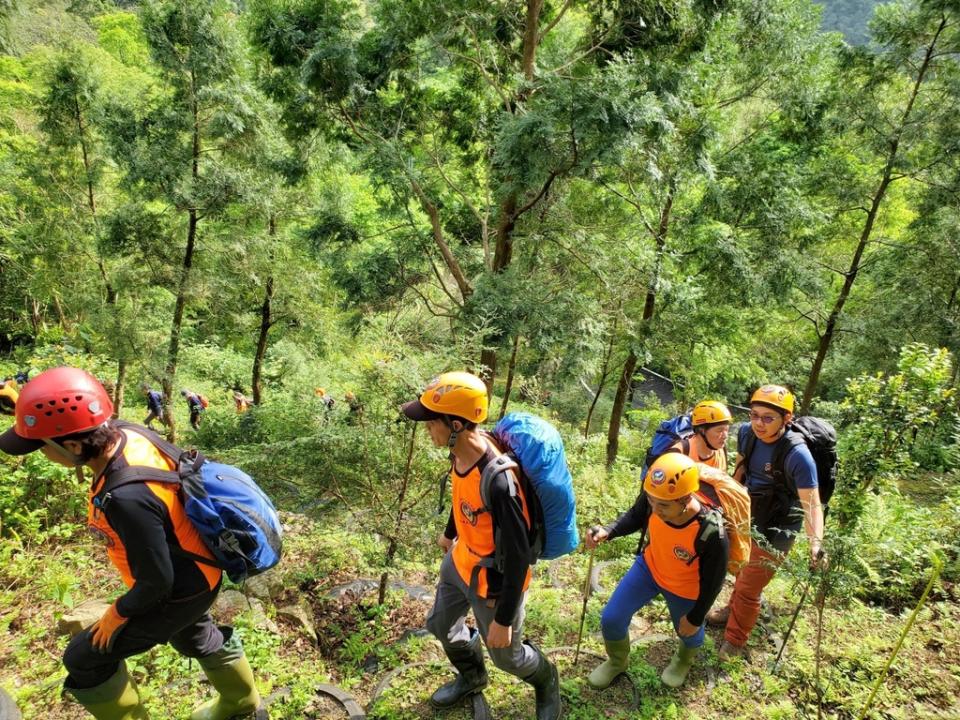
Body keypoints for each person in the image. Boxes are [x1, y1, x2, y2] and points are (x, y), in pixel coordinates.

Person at [0, 367, 264, 719]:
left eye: (41, 447)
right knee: (193, 635)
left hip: (182, 588)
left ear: (74, 445)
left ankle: (237, 703)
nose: (41, 454)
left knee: (83, 658)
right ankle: (241, 703)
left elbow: (156, 582)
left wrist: (117, 613)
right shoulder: (124, 433)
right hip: (199, 568)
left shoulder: (126, 497)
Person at [401, 371, 561, 720]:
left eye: (432, 421)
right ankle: (473, 677)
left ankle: (547, 679)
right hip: (460, 562)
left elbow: (520, 556)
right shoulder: (459, 451)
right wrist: (450, 531)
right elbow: (465, 496)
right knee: (441, 626)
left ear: (456, 424)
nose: (427, 427)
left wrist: (503, 619)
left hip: (495, 582)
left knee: (508, 656)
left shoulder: (502, 482)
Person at [586, 453, 728, 690]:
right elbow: (635, 516)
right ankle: (617, 662)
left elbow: (714, 582)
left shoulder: (711, 532)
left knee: (688, 632)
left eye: (663, 505)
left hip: (685, 588)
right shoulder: (657, 497)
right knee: (612, 618)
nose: (655, 508)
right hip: (649, 569)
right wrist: (608, 531)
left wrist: (695, 617)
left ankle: (683, 660)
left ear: (685, 499)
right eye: (651, 501)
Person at [706, 385, 826, 660]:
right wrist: (727, 507)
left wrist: (815, 544)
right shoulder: (747, 433)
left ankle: (735, 640)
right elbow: (739, 471)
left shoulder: (798, 456)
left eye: (768, 418)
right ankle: (730, 610)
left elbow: (812, 504)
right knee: (738, 566)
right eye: (754, 415)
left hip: (779, 526)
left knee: (750, 586)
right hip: (749, 513)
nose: (759, 423)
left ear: (786, 419)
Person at [675, 400, 732, 471]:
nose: (725, 436)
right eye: (719, 430)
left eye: (727, 430)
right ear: (702, 430)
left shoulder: (721, 450)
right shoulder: (678, 453)